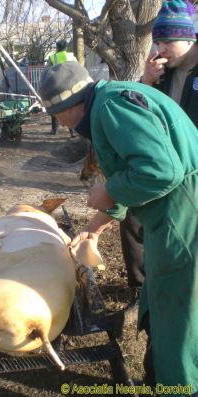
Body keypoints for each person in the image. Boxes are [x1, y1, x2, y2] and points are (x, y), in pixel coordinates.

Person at [39, 61, 198, 397]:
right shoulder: (112, 100)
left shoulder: (111, 107)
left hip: (184, 220)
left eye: (57, 117)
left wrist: (108, 190)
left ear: (67, 108)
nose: (62, 125)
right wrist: (95, 229)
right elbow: (138, 171)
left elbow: (160, 171)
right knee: (166, 311)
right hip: (171, 218)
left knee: (180, 322)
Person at [121, 0, 198, 311]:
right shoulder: (162, 73)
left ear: (190, 38)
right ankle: (141, 289)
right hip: (162, 165)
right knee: (131, 217)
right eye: (158, 40)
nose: (160, 48)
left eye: (167, 41)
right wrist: (146, 82)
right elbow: (140, 114)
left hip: (191, 172)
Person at [46, 39, 77, 137]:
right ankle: (72, 131)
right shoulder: (71, 56)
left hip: (56, 85)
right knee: (69, 108)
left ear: (57, 47)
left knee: (55, 107)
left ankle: (55, 131)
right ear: (66, 47)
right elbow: (78, 68)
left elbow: (47, 71)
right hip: (70, 85)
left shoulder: (52, 58)